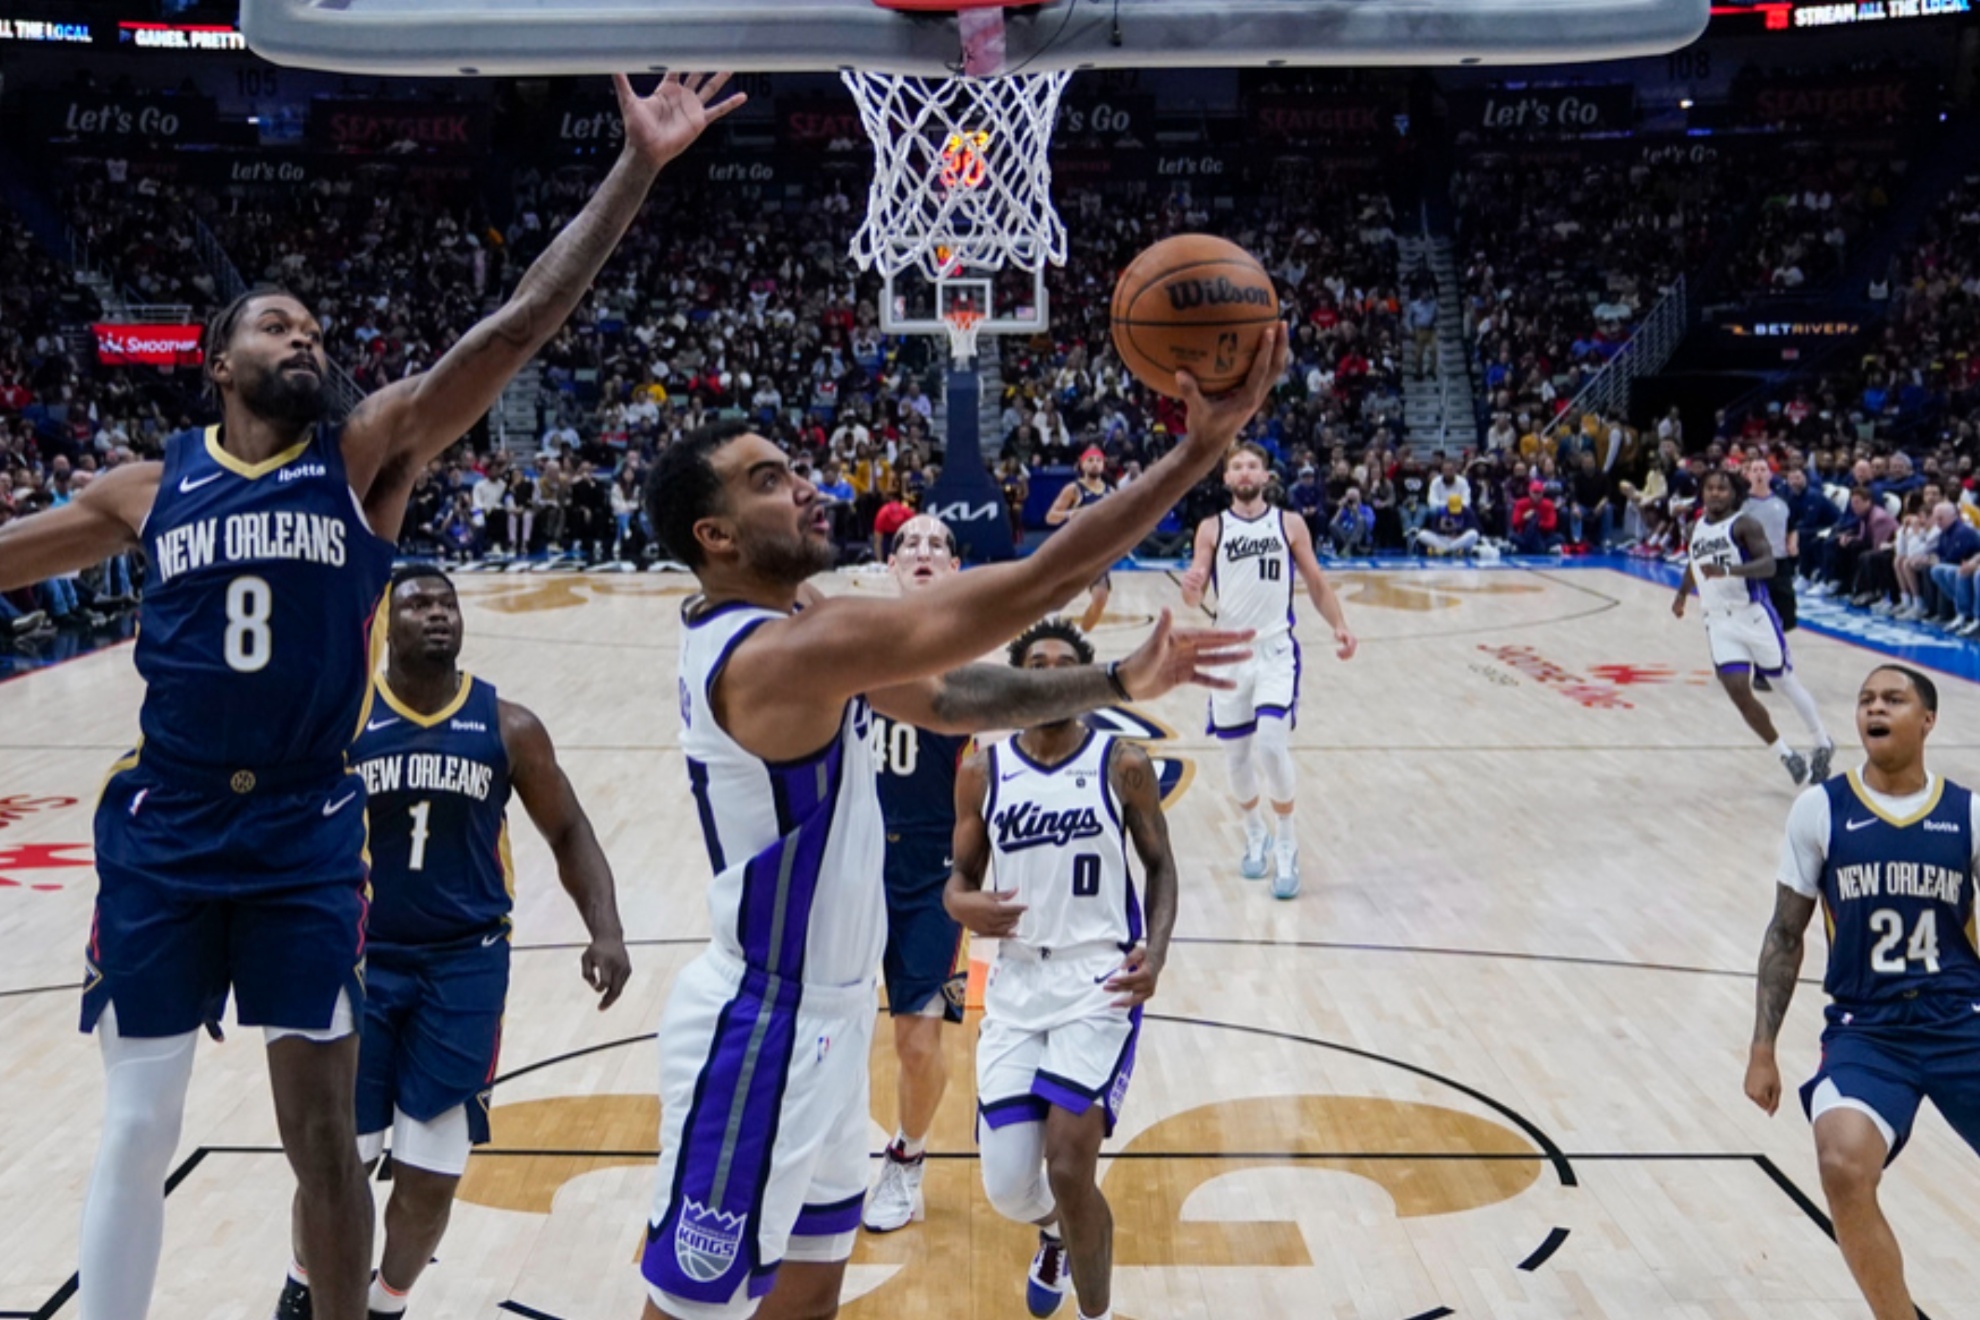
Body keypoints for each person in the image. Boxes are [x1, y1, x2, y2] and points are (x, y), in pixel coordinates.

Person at [0, 72, 739, 1320]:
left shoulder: (360, 461)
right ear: (218, 358)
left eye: (314, 330)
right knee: (137, 1120)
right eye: (278, 326)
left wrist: (635, 172)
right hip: (167, 824)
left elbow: (510, 329)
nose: (307, 342)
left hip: (299, 832)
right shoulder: (143, 488)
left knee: (323, 1141)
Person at [635, 326, 1284, 1320]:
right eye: (769, 480)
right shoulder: (776, 653)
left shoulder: (800, 619)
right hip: (760, 1021)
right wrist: (1194, 455)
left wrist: (1112, 679)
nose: (804, 486)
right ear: (715, 537)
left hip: (830, 1017)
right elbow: (1022, 592)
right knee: (691, 1309)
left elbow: (950, 699)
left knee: (805, 1294)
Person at [274, 567, 632, 1320]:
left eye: (447, 604)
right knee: (342, 1161)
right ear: (387, 625)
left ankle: (385, 1304)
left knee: (432, 1175)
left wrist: (605, 926)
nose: (437, 616)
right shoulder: (345, 718)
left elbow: (568, 830)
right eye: (417, 605)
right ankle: (306, 1283)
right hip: (359, 963)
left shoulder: (508, 725)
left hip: (465, 964)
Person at [944, 619, 1179, 1320]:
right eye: (1036, 665)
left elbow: (1162, 866)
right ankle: (1054, 1235)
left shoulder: (1123, 762)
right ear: (1018, 680)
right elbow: (958, 875)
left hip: (1096, 981)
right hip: (1016, 984)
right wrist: (962, 905)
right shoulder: (982, 770)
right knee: (1010, 1188)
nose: (1050, 674)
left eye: (1064, 664)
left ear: (1084, 679)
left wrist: (1158, 952)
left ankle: (1095, 1312)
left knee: (1071, 1167)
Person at [1744, 664, 1980, 1320]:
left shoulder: (1968, 813)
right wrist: (1763, 1046)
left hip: (1961, 1020)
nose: (1875, 708)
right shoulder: (1821, 809)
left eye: (1893, 699)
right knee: (1842, 1163)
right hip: (1866, 1030)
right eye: (1866, 699)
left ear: (1927, 719)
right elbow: (1785, 933)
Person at [1178, 443, 1356, 899]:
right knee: (1237, 759)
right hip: (1228, 653)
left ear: (1265, 475)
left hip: (1276, 649)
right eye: (1236, 465)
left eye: (1252, 464)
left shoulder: (1289, 523)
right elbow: (1195, 593)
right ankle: (1254, 832)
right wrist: (1192, 587)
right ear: (1226, 479)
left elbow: (1314, 580)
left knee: (1273, 746)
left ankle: (1287, 841)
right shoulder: (1211, 527)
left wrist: (1339, 624)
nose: (1244, 471)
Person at [863, 516, 970, 1235]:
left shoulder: (973, 654)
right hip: (852, 859)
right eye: (910, 544)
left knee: (918, 1039)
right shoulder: (853, 646)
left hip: (931, 867)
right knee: (820, 1028)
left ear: (957, 568)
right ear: (889, 566)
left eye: (938, 544)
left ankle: (907, 1157)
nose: (924, 551)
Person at [1672, 468, 1835, 786]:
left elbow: (1769, 564)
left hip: (1753, 615)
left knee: (1782, 682)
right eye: (1710, 488)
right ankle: (1786, 754)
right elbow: (1695, 565)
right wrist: (1681, 595)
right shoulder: (1696, 527)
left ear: (1733, 493)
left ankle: (1822, 742)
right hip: (1717, 619)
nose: (1716, 493)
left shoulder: (1745, 524)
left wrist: (1728, 569)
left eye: (1722, 488)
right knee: (1737, 691)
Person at [1044, 446, 1117, 632]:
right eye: (1090, 460)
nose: (1094, 464)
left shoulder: (1111, 492)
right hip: (1074, 551)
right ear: (1082, 464)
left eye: (1098, 461)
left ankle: (1082, 635)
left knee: (1100, 599)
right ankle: (1048, 627)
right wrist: (1073, 513)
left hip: (1098, 554)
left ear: (1103, 465)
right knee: (1059, 597)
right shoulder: (1074, 489)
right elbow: (1050, 517)